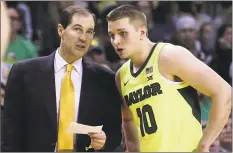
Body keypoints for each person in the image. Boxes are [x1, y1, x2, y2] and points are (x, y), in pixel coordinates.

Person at [106, 4, 232, 152]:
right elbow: (128, 119)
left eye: (122, 33)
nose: (116, 41)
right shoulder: (121, 75)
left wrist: (205, 143)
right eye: (112, 35)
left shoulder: (168, 56)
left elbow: (224, 91)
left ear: (142, 32)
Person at [1, 5, 122, 152]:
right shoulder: (24, 73)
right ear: (61, 30)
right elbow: (9, 135)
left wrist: (104, 142)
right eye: (77, 29)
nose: (83, 37)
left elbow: (114, 134)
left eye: (89, 32)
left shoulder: (105, 79)